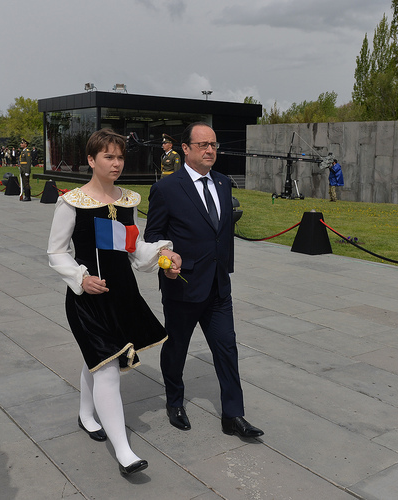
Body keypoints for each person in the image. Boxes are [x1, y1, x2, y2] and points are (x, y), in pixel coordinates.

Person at [47, 128, 181, 476]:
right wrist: (81, 277)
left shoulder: (128, 201)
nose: (116, 163)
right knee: (107, 369)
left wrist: (163, 253)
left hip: (123, 295)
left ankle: (86, 415)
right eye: (108, 156)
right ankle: (124, 452)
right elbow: (56, 252)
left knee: (97, 359)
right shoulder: (72, 202)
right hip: (87, 299)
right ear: (91, 160)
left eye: (120, 156)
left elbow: (132, 249)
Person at [144, 122, 264, 439]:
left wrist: (226, 268)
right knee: (176, 349)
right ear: (186, 148)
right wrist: (166, 261)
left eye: (214, 144)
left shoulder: (223, 183)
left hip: (218, 287)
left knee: (227, 349)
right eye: (203, 145)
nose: (210, 150)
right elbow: (153, 237)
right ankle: (174, 402)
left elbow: (221, 234)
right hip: (183, 286)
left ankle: (233, 415)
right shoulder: (167, 189)